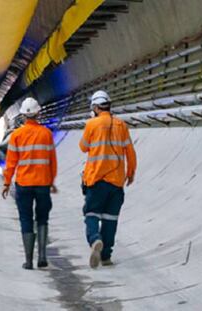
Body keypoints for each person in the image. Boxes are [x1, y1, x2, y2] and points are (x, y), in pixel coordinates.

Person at [79, 90, 137, 268]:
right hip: (117, 182)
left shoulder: (92, 124)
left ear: (95, 107)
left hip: (96, 180)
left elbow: (83, 147)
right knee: (110, 219)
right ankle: (106, 257)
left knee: (91, 214)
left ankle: (95, 239)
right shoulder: (121, 125)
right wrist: (131, 172)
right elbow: (130, 152)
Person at [2, 97, 57, 270]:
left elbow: (11, 162)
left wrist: (6, 182)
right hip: (42, 184)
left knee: (26, 219)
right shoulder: (46, 134)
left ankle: (28, 260)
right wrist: (51, 180)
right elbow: (51, 161)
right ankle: (42, 256)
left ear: (23, 116)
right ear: (38, 113)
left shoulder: (16, 135)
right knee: (42, 218)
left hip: (24, 184)